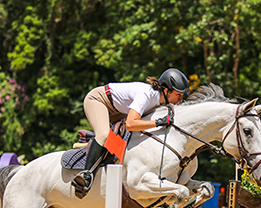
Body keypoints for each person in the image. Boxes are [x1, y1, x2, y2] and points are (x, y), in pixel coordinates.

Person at [71, 68, 190, 199]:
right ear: (166, 91)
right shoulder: (146, 95)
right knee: (104, 135)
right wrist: (158, 122)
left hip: (119, 110)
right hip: (99, 100)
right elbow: (131, 124)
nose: (180, 99)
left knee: (127, 144)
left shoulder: (161, 103)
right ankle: (86, 175)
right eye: (178, 95)